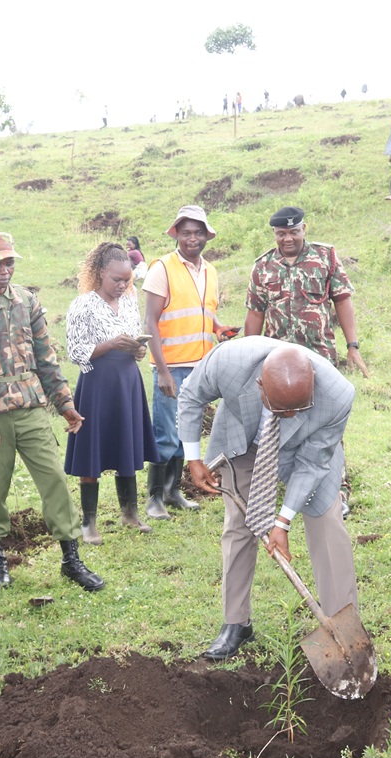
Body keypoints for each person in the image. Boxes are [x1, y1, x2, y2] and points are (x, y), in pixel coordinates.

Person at [180, 337, 358, 660]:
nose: (288, 415)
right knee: (238, 525)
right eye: (281, 408)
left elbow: (313, 464)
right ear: (260, 385)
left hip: (307, 449)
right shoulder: (230, 363)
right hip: (244, 440)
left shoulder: (337, 394)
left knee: (327, 523)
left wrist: (283, 521)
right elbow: (191, 395)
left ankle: (343, 627)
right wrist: (193, 458)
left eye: (297, 408)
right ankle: (236, 623)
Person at [0, 232, 104, 592]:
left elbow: (46, 358)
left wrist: (66, 405)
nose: (5, 269)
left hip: (31, 407)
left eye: (10, 262)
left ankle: (71, 559)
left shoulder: (27, 301)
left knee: (54, 480)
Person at [244, 205, 368, 517]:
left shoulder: (325, 257)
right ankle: (281, 489)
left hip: (320, 361)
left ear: (304, 229)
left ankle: (337, 491)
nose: (288, 238)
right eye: (281, 233)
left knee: (329, 426)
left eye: (293, 232)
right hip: (277, 367)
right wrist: (249, 354)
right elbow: (255, 313)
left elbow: (342, 300)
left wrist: (352, 346)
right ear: (275, 234)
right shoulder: (262, 267)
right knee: (276, 426)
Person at [142, 206, 236, 521]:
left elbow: (203, 312)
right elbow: (150, 323)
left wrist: (218, 328)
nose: (191, 239)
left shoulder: (210, 271)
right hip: (171, 367)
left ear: (206, 236)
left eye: (197, 233)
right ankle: (154, 498)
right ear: (177, 235)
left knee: (187, 431)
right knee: (166, 433)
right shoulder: (162, 268)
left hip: (200, 367)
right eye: (186, 233)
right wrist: (164, 371)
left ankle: (173, 491)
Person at [64, 242, 158, 544]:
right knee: (92, 449)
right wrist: (111, 345)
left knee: (126, 444)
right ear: (100, 273)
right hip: (97, 385)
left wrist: (137, 349)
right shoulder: (83, 305)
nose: (122, 285)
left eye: (126, 280)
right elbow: (76, 351)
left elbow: (132, 339)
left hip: (127, 381)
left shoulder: (129, 301)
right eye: (116, 279)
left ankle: (130, 513)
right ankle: (89, 523)